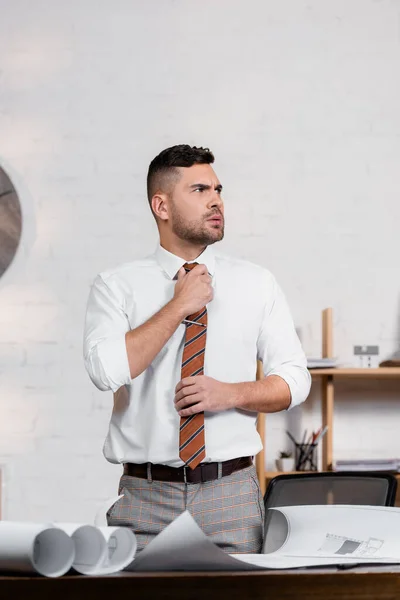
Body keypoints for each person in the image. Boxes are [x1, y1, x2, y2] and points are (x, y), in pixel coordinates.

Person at [83, 144, 311, 554]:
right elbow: (105, 371)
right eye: (200, 190)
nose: (216, 201)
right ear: (162, 205)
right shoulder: (116, 285)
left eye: (218, 190)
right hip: (144, 500)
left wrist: (231, 394)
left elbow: (296, 381)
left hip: (231, 497)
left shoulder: (256, 282)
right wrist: (179, 305)